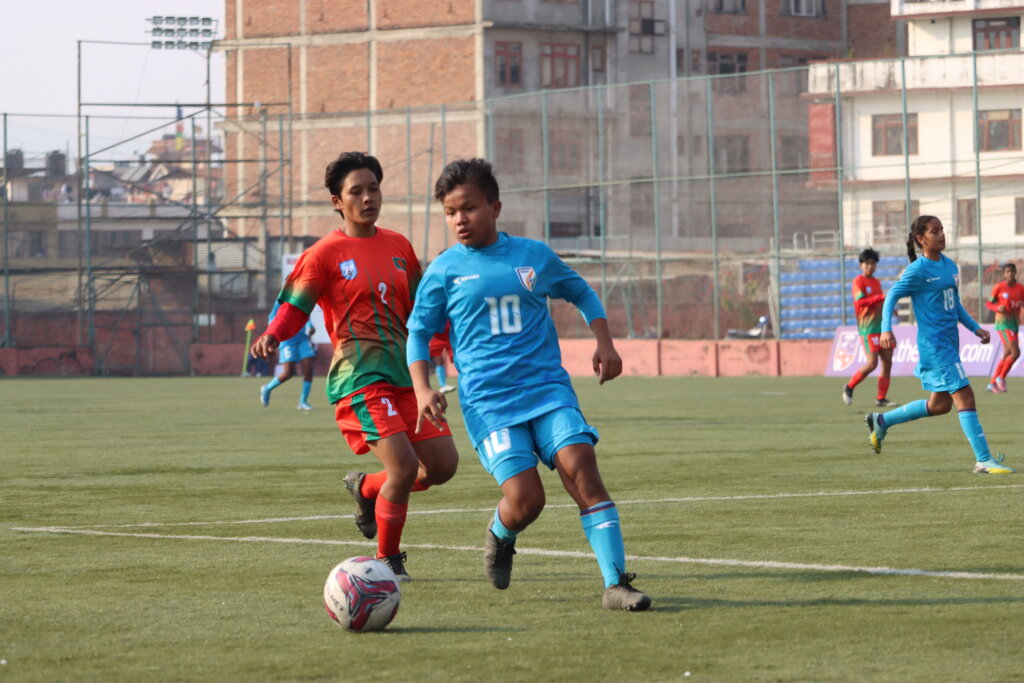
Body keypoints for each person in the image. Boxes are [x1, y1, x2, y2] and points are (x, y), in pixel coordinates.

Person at [406, 158, 651, 611]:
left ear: (495, 207)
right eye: (450, 212)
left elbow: (581, 292)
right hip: (490, 404)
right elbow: (419, 333)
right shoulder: (444, 271)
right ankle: (502, 534)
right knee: (526, 499)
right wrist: (423, 388)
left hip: (546, 390)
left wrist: (605, 342)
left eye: (470, 207)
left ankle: (617, 584)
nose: (460, 219)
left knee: (582, 467)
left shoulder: (533, 256)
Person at [250, 152, 460, 580]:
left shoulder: (400, 245)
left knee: (441, 467)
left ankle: (365, 487)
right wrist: (273, 333)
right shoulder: (324, 254)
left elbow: (422, 308)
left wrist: (443, 342)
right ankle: (388, 561)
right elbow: (294, 306)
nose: (368, 198)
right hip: (359, 377)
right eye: (356, 191)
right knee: (401, 469)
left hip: (405, 375)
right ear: (336, 201)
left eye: (374, 188)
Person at [864, 215, 1015, 474]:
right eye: (935, 231)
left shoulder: (949, 266)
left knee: (940, 405)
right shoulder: (917, 270)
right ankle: (984, 459)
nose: (941, 235)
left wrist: (975, 328)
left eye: (942, 230)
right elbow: (891, 297)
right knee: (965, 395)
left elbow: (954, 304)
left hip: (949, 343)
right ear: (921, 239)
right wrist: (885, 329)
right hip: (935, 347)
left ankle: (881, 420)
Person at [843, 248, 898, 407]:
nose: (870, 266)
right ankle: (849, 386)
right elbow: (860, 302)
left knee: (887, 362)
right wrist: (881, 297)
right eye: (867, 263)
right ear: (861, 264)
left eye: (873, 264)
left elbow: (878, 301)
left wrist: (889, 307)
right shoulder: (858, 282)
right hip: (868, 329)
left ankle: (881, 398)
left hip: (882, 328)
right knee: (872, 363)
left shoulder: (876, 282)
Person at [260, 301, 317, 410]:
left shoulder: (303, 298)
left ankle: (303, 402)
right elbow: (272, 318)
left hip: (302, 339)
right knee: (288, 373)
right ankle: (267, 388)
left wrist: (310, 326)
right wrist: (274, 333)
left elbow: (305, 316)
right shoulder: (281, 299)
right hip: (287, 340)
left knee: (308, 368)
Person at [985, 262, 1024, 394]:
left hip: (1014, 323)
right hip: (1003, 323)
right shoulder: (999, 287)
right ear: (1004, 274)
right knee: (1016, 353)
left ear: (1015, 272)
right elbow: (989, 303)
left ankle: (992, 383)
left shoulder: (1020, 288)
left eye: (1012, 271)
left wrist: (1022, 303)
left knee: (1007, 354)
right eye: (1007, 271)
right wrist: (997, 308)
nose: (1010, 273)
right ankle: (1001, 378)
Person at [429, 323, 455, 394]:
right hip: (436, 337)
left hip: (448, 336)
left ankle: (443, 386)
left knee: (453, 359)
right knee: (425, 359)